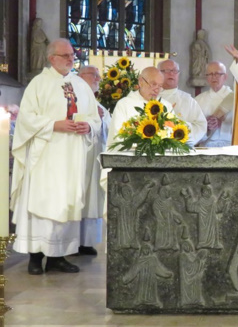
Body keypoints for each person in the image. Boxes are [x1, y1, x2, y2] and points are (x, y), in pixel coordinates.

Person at [10, 38, 101, 275]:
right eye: (65, 55)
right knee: (44, 202)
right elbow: (27, 118)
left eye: (72, 54)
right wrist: (54, 125)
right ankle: (35, 257)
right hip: (46, 155)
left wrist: (88, 127)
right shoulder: (38, 84)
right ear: (52, 58)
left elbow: (94, 117)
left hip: (73, 155)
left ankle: (57, 257)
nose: (71, 59)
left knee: (67, 202)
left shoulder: (80, 85)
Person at [77, 65, 111, 255]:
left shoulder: (99, 105)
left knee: (93, 198)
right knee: (80, 196)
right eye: (94, 74)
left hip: (96, 156)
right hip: (81, 156)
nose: (98, 78)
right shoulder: (76, 98)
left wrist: (100, 120)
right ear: (81, 77)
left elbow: (109, 127)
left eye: (98, 75)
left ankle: (87, 241)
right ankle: (73, 242)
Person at [106, 66, 173, 149]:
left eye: (160, 86)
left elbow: (173, 133)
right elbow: (117, 136)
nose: (156, 90)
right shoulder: (124, 104)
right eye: (153, 84)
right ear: (141, 82)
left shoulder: (166, 106)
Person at [157, 59, 207, 146]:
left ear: (178, 74)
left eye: (175, 71)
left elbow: (201, 125)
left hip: (180, 148)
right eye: (167, 70)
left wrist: (180, 127)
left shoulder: (188, 100)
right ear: (158, 73)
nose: (171, 73)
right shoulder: (151, 96)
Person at [195, 61, 234, 147]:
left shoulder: (234, 98)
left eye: (217, 74)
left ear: (225, 77)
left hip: (230, 145)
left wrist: (222, 124)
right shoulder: (198, 100)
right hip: (206, 146)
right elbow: (194, 126)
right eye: (210, 74)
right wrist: (206, 126)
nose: (214, 77)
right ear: (206, 77)